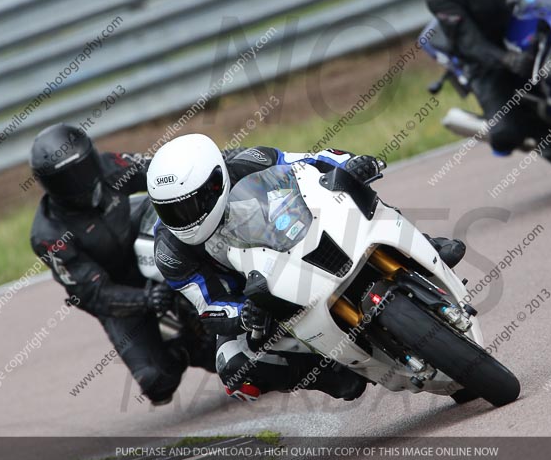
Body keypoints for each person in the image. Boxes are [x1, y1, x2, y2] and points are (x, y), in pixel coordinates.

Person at [148, 133, 466, 402]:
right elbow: (209, 305)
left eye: (188, 205)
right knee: (233, 367)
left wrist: (351, 164)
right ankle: (329, 371)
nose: (183, 218)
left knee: (352, 192)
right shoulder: (170, 250)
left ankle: (422, 245)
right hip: (256, 295)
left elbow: (310, 161)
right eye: (170, 210)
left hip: (293, 233)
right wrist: (243, 314)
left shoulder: (249, 162)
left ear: (215, 184)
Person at [28, 123, 214, 405]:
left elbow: (161, 170)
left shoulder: (109, 167)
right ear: (49, 186)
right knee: (157, 382)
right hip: (118, 293)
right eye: (67, 179)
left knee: (173, 206)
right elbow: (94, 295)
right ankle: (185, 345)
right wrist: (146, 299)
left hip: (142, 240)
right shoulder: (49, 235)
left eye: (83, 168)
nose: (81, 182)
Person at [426, 0, 541, 155]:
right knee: (506, 134)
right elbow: (470, 43)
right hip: (482, 61)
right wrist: (507, 59)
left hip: (509, 24)